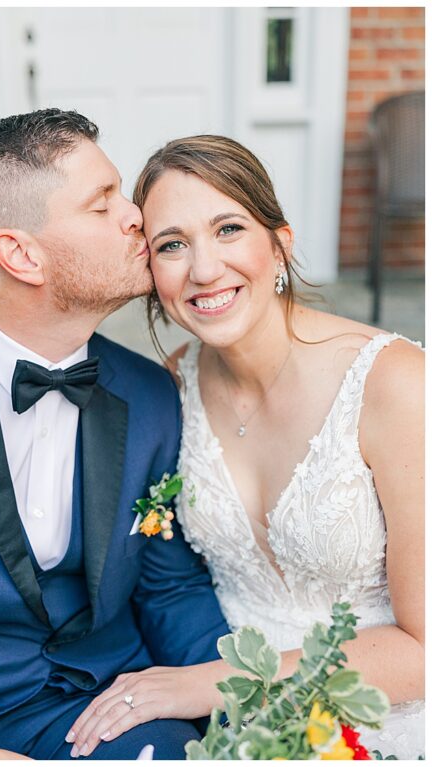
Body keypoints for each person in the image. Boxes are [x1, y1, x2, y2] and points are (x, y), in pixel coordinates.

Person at [67, 135, 424, 759]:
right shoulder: (172, 385)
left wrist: (205, 686)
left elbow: (426, 651)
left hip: (381, 716)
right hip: (229, 724)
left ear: (279, 243)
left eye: (228, 229)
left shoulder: (394, 385)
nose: (203, 270)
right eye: (172, 245)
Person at [0, 109, 230, 760]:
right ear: (21, 254)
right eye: (102, 205)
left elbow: (167, 585)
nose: (136, 217)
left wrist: (236, 699)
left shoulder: (151, 395)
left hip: (105, 708)